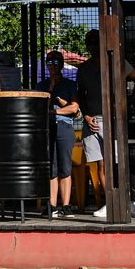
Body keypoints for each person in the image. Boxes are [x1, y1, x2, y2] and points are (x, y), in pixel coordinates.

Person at [75, 29, 135, 219]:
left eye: (96, 42)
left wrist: (128, 102)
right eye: (90, 43)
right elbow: (81, 95)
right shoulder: (84, 68)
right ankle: (110, 201)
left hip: (114, 119)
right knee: (102, 165)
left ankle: (127, 201)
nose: (93, 46)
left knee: (118, 162)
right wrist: (86, 116)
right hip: (93, 120)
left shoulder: (116, 61)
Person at [43, 51, 80, 217]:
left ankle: (66, 205)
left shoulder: (70, 84)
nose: (53, 66)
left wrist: (53, 111)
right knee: (51, 167)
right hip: (48, 127)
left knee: (65, 167)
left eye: (56, 62)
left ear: (62, 64)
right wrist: (50, 88)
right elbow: (41, 107)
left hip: (65, 127)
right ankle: (52, 205)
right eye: (50, 62)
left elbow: (74, 108)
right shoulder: (41, 85)